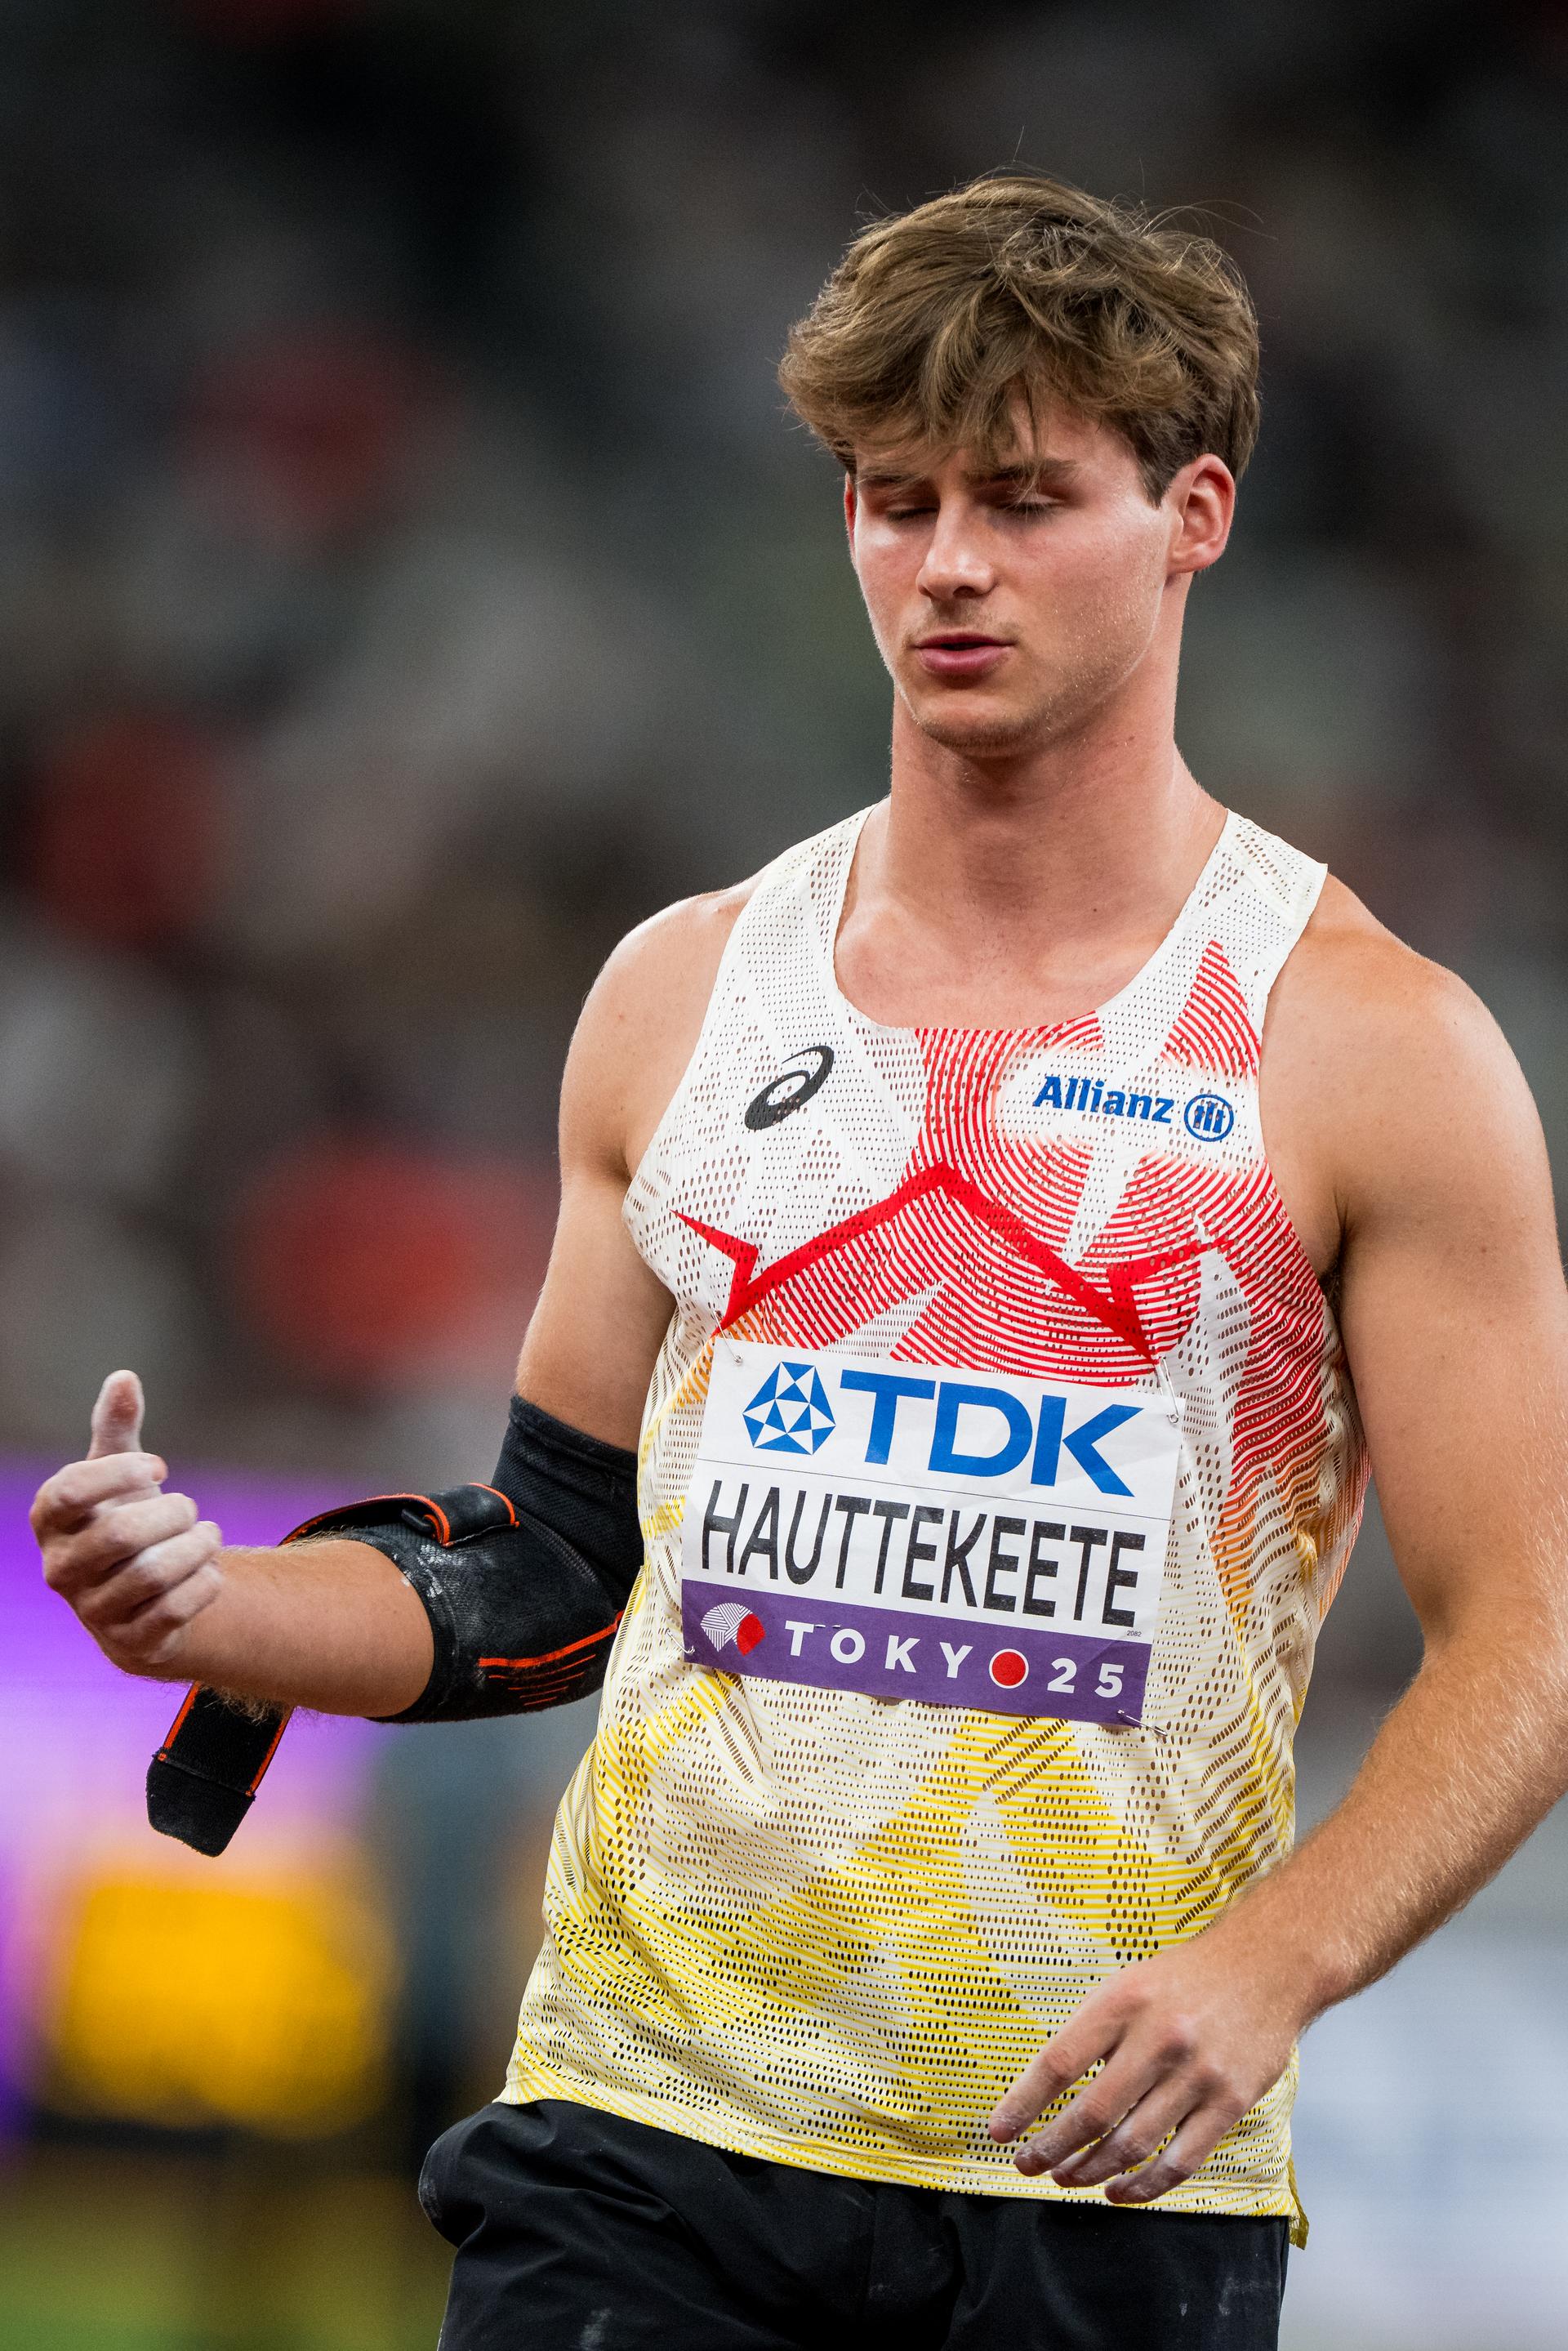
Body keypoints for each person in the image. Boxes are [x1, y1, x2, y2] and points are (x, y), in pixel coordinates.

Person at [31, 172, 1568, 2351]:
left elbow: (1534, 1633)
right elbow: (545, 1573)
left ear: (1195, 511)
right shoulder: (684, 991)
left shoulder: (1373, 1048)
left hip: (1090, 2179)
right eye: (890, 496)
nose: (945, 563)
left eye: (1026, 498)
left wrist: (1273, 1966)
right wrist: (217, 1601)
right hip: (634, 2147)